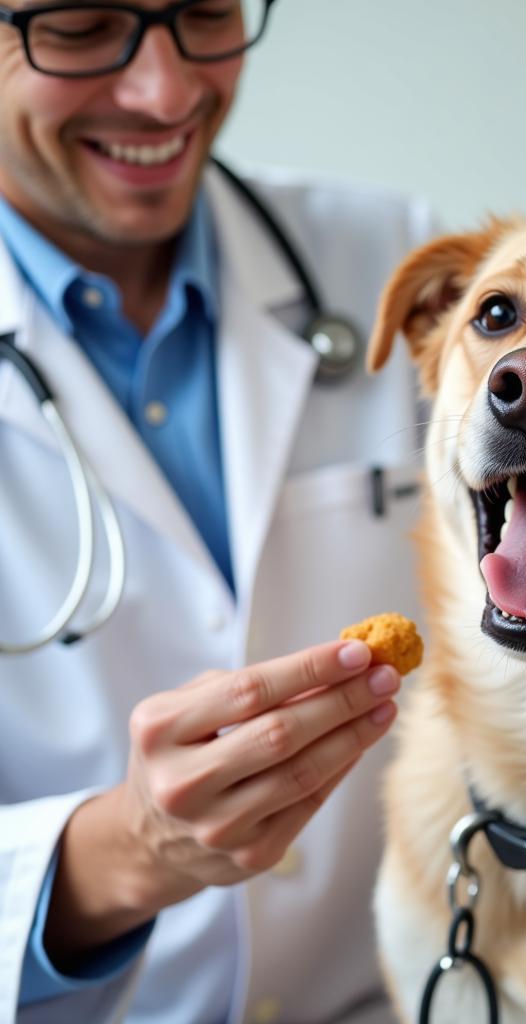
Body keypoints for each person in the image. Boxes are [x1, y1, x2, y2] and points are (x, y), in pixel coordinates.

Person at [0, 2, 433, 1021]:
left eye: (202, 13)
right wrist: (125, 852)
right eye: (78, 26)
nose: (167, 90)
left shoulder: (393, 258)